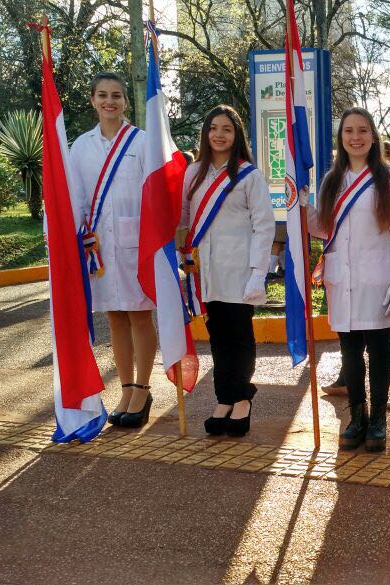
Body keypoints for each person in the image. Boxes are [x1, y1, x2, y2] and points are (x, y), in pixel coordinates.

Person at [306, 107, 390, 452]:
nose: (356, 137)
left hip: (378, 279)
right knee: (349, 354)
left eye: (363, 130)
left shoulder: (388, 180)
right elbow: (322, 229)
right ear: (341, 137)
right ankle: (356, 415)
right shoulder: (331, 180)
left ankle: (377, 419)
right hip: (341, 280)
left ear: (373, 137)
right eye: (349, 131)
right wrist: (302, 205)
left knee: (379, 353)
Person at [178, 105, 274, 437]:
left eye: (227, 129)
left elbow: (264, 226)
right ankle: (224, 399)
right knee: (218, 337)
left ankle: (242, 399)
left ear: (237, 135)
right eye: (213, 128)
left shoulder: (249, 175)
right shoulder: (193, 172)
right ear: (206, 133)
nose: (219, 134)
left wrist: (258, 272)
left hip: (241, 268)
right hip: (207, 269)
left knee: (240, 335)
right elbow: (186, 220)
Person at [69, 73, 156, 429]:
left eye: (117, 96)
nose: (110, 101)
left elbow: (156, 193)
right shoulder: (81, 145)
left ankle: (143, 388)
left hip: (137, 243)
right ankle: (124, 388)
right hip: (99, 247)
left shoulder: (142, 141)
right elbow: (74, 196)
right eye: (103, 95)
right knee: (114, 318)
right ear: (92, 100)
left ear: (125, 102)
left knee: (138, 314)